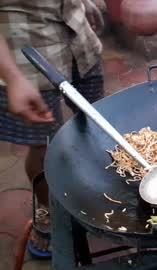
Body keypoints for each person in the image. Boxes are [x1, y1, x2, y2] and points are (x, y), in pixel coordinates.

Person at [0, 0, 104, 256]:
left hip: (81, 44)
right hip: (25, 64)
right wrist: (12, 78)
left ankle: (92, 190)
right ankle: (49, 211)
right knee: (42, 146)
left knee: (93, 123)